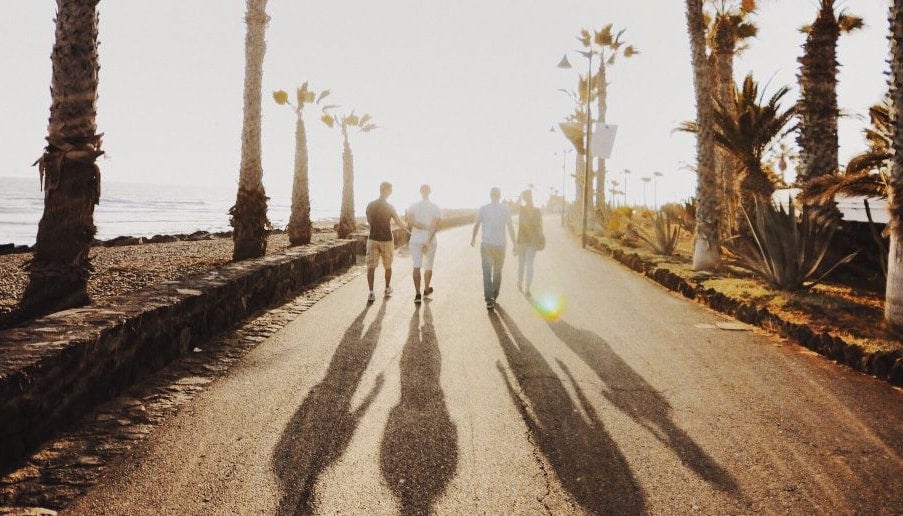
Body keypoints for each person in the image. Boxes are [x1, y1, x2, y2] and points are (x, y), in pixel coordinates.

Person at [471, 187, 516, 310]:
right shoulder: (505, 209)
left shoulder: (483, 209)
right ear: (500, 196)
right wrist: (515, 243)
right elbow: (510, 227)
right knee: (497, 271)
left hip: (486, 245)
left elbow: (477, 224)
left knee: (487, 272)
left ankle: (489, 299)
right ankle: (494, 295)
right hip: (500, 246)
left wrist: (473, 238)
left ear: (490, 195)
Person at [365, 181, 408, 303]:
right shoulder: (390, 207)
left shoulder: (370, 205)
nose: (391, 192)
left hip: (372, 239)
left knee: (371, 267)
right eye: (390, 190)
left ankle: (371, 293)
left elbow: (369, 222)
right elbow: (399, 223)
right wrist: (406, 225)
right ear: (386, 190)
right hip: (386, 240)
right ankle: (387, 288)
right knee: (388, 266)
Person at [406, 184, 441, 305]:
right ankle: (426, 288)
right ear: (430, 192)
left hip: (415, 239)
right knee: (428, 266)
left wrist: (422, 227)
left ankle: (417, 294)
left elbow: (411, 222)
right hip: (430, 240)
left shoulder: (413, 206)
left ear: (420, 191)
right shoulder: (435, 207)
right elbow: (435, 227)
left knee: (416, 266)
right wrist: (428, 241)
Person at [515, 189, 544, 297]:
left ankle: (521, 283)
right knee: (528, 264)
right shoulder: (536, 210)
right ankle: (526, 287)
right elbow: (540, 226)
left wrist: (520, 196)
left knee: (523, 263)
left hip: (525, 241)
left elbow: (540, 226)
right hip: (529, 241)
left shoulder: (522, 209)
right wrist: (541, 238)